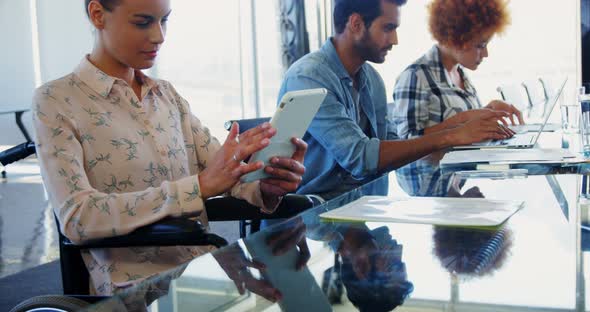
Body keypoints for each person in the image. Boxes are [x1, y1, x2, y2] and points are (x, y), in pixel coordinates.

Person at [31, 0, 307, 295]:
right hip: (137, 291)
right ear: (98, 15)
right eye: (142, 22)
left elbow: (223, 174)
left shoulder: (167, 96)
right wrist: (196, 188)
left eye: (164, 21)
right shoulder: (56, 101)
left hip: (206, 274)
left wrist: (266, 186)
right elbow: (78, 216)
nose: (159, 36)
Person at [278, 0, 513, 200]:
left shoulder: (371, 79)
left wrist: (461, 124)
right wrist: (451, 135)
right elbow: (360, 157)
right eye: (388, 28)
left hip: (363, 209)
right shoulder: (308, 76)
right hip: (310, 221)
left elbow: (394, 145)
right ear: (356, 24)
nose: (395, 40)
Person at [391, 0, 522, 141]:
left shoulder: (460, 73)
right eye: (480, 45)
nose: (485, 54)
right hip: (440, 164)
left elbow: (468, 128)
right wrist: (463, 120)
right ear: (456, 38)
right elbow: (406, 143)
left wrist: (488, 110)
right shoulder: (415, 76)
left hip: (471, 160)